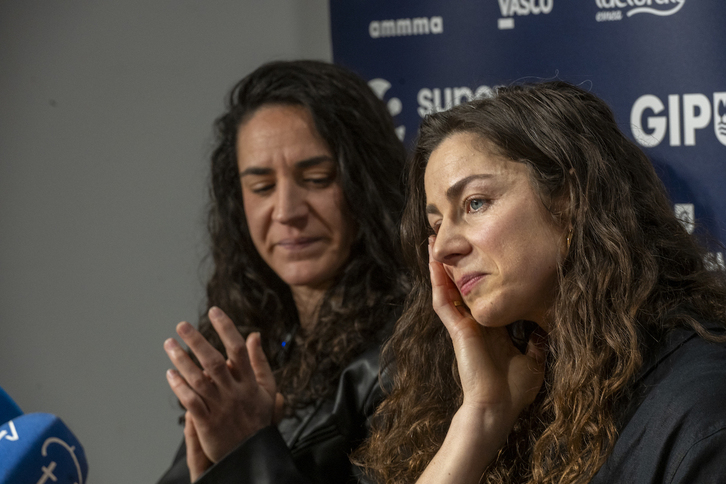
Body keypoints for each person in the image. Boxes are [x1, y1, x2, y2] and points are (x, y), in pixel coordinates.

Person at [356, 81, 726, 483]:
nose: (443, 247)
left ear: (570, 199)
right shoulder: (485, 389)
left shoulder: (701, 408)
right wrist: (480, 417)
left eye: (475, 203)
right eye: (435, 224)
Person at [157, 60, 408, 484]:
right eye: (262, 187)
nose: (287, 211)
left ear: (367, 182)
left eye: (317, 178)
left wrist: (249, 453)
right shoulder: (256, 339)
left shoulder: (411, 352)